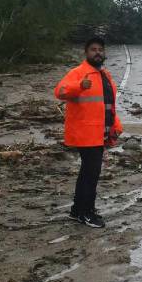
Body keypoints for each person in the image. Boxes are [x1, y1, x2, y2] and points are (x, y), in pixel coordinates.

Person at [54, 36, 123, 228]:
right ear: (86, 53)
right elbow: (59, 91)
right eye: (93, 49)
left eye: (100, 49)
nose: (98, 52)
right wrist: (79, 86)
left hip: (100, 133)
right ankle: (87, 213)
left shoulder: (105, 76)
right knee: (91, 174)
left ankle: (77, 210)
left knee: (87, 173)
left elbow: (108, 105)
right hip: (85, 134)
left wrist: (116, 125)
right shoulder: (79, 73)